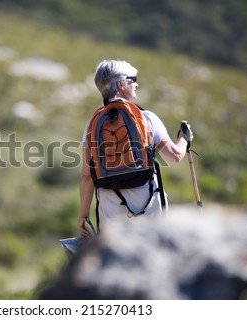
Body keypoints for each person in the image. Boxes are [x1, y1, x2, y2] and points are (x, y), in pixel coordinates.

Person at [79, 60, 193, 238]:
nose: (136, 83)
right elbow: (174, 156)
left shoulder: (92, 124)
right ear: (120, 84)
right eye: (133, 79)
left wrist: (83, 214)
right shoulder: (147, 118)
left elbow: (87, 175)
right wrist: (184, 139)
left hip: (110, 203)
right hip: (147, 199)